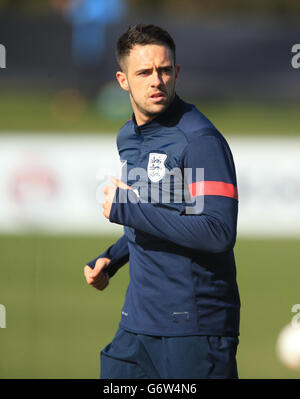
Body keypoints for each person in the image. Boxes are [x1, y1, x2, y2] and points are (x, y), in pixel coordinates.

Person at [84, 24, 241, 379]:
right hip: (137, 326)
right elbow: (163, 214)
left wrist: (128, 209)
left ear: (177, 73)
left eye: (165, 70)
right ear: (123, 80)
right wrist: (113, 257)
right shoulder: (128, 136)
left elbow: (217, 232)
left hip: (194, 331)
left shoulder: (200, 140)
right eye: (144, 72)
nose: (157, 80)